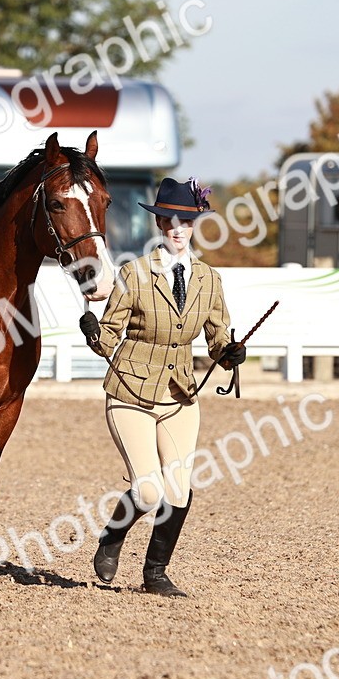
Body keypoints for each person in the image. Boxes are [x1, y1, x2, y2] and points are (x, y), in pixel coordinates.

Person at [79, 177, 246, 597]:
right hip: (130, 393)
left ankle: (155, 574)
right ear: (159, 224)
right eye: (170, 220)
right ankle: (112, 539)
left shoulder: (209, 280)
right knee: (149, 489)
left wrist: (229, 353)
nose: (176, 229)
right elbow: (109, 340)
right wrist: (93, 332)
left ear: (193, 226)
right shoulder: (132, 275)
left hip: (179, 396)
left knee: (178, 488)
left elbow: (217, 336)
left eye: (185, 222)